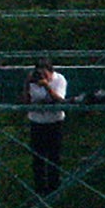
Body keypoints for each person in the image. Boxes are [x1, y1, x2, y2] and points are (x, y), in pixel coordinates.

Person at [26, 61, 69, 195]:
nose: (42, 77)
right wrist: (27, 84)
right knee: (38, 157)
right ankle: (40, 189)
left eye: (45, 74)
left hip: (54, 122)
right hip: (37, 122)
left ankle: (54, 186)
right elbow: (27, 100)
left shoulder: (59, 80)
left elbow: (60, 100)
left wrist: (47, 87)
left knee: (54, 156)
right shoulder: (33, 81)